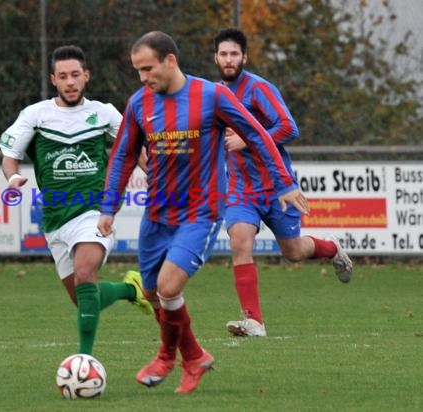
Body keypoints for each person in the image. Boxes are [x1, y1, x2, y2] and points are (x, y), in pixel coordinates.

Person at [97, 31, 309, 394]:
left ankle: (167, 355)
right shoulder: (139, 103)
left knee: (167, 287)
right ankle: (193, 356)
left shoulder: (211, 96)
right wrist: (109, 206)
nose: (143, 78)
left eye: (147, 69)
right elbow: (123, 156)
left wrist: (284, 182)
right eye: (138, 71)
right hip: (157, 214)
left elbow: (257, 134)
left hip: (201, 211)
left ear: (170, 61)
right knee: (150, 292)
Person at [0, 45, 153, 356]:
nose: (70, 82)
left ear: (86, 76)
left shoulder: (104, 113)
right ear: (53, 79)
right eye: (63, 76)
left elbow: (133, 147)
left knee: (85, 274)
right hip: (56, 220)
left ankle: (84, 362)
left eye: (75, 75)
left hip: (94, 211)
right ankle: (131, 289)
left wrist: (156, 176)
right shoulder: (36, 115)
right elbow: (10, 156)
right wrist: (13, 178)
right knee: (85, 297)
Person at [213, 28, 354, 338]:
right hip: (240, 189)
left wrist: (247, 140)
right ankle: (254, 321)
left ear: (244, 57)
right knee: (239, 240)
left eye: (234, 53)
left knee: (292, 251)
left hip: (278, 187)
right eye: (223, 54)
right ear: (216, 57)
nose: (228, 59)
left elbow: (289, 128)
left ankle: (331, 249)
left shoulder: (258, 89)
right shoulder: (214, 95)